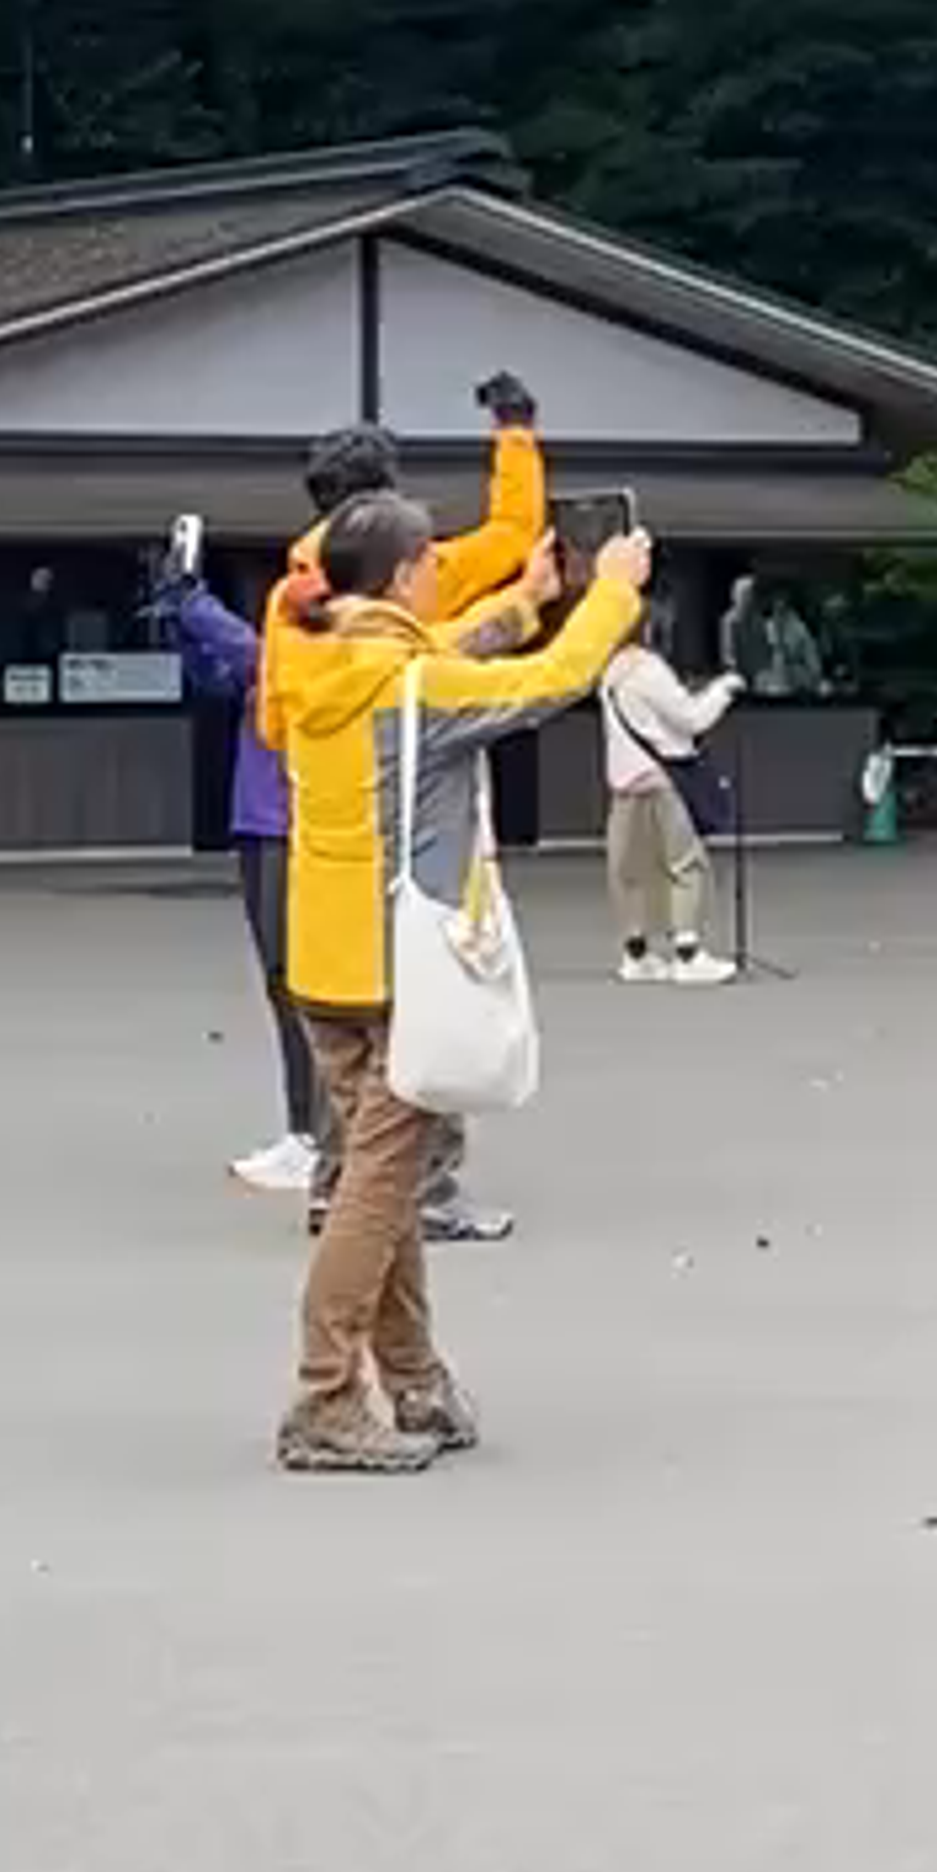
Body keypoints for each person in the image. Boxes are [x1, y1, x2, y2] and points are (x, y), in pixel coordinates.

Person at [269, 495, 648, 1473]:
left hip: (326, 956)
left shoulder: (320, 658)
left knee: (379, 1176)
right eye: (429, 561)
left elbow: (446, 649)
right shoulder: (410, 688)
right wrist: (609, 598)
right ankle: (325, 1392)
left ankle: (414, 1378)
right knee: (379, 1183)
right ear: (398, 578)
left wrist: (526, 598)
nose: (440, 571)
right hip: (408, 963)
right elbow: (545, 683)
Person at [254, 383, 548, 1247]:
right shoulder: (407, 567)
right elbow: (509, 536)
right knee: (423, 1012)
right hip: (407, 811)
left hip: (318, 812)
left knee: (345, 1030)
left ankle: (335, 1185)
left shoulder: (293, 591)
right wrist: (516, 436)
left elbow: (276, 711)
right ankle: (426, 1194)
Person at [148, 528, 322, 1193]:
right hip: (259, 822)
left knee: (300, 985)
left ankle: (316, 1135)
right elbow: (221, 674)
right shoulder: (275, 654)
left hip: (292, 826)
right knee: (283, 984)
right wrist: (183, 623)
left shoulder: (311, 650)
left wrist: (195, 602)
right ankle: (306, 1128)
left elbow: (252, 658)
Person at [600, 591, 741, 980]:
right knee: (684, 863)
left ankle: (636, 953)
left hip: (623, 781)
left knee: (628, 870)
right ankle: (688, 953)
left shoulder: (608, 671)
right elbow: (691, 719)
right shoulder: (648, 671)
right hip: (662, 779)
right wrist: (723, 690)